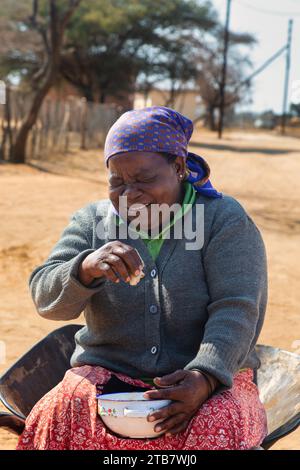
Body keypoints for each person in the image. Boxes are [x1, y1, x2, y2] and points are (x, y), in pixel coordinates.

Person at [17, 106, 268, 450]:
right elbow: (46, 299)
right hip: (110, 374)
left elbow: (236, 308)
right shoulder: (93, 222)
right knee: (63, 409)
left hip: (209, 380)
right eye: (116, 182)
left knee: (215, 425)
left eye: (144, 179)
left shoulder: (222, 220)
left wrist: (205, 376)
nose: (129, 194)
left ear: (178, 168)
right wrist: (85, 268)